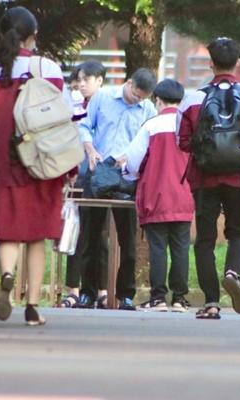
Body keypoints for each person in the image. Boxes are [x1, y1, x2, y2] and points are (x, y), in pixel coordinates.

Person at [0, 6, 73, 325]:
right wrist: (69, 166)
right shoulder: (47, 68)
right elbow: (64, 120)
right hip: (41, 162)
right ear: (34, 35)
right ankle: (33, 306)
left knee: (8, 232)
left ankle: (7, 275)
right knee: (37, 236)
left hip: (1, 162)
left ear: (1, 35)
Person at [177, 37, 240, 319]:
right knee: (238, 232)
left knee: (205, 240)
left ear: (211, 63)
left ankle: (211, 303)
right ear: (238, 63)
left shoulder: (193, 99)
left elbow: (183, 141)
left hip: (204, 178)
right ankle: (232, 273)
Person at [77, 67, 157, 310]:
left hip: (126, 177)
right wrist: (90, 150)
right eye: (135, 95)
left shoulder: (148, 109)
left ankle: (126, 295)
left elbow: (149, 143)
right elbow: (84, 125)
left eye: (142, 98)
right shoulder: (102, 97)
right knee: (91, 236)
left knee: (128, 240)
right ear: (129, 83)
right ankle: (88, 292)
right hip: (98, 172)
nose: (137, 101)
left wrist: (130, 157)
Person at [117, 79, 193, 312]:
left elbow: (133, 162)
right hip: (185, 195)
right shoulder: (191, 125)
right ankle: (179, 299)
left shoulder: (151, 126)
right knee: (181, 248)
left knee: (158, 247)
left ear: (158, 100)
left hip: (156, 195)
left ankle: (158, 298)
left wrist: (126, 172)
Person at [61, 60, 108, 309]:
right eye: (78, 80)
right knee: (76, 232)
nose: (81, 84)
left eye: (86, 79)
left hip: (101, 178)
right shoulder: (72, 106)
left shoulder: (108, 106)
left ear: (99, 80)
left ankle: (102, 289)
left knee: (100, 236)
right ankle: (74, 289)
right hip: (76, 175)